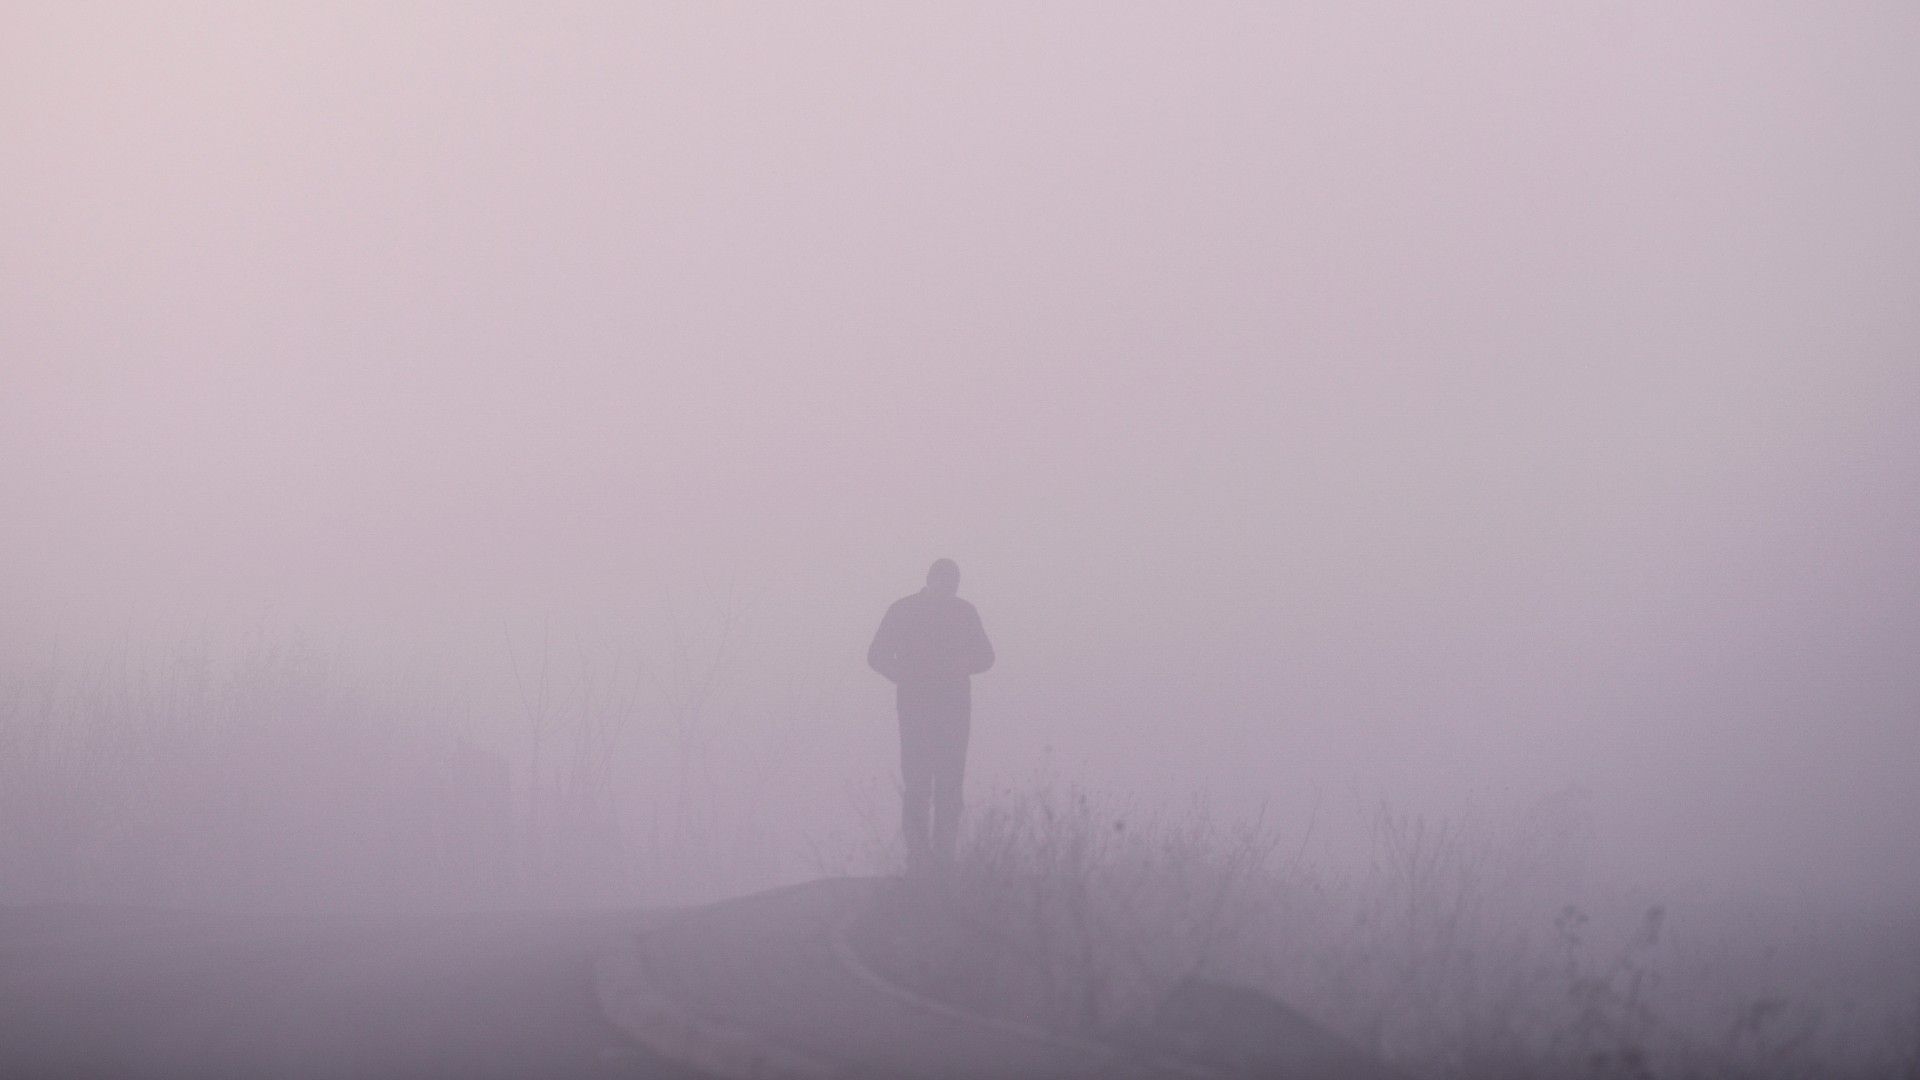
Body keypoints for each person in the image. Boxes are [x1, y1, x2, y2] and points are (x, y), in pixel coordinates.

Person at [867, 559, 994, 872]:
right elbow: (876, 655)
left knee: (945, 784)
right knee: (921, 784)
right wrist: (907, 677)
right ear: (932, 580)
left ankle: (941, 859)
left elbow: (987, 657)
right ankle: (921, 861)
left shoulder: (959, 611)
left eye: (952, 586)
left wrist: (959, 667)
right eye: (946, 584)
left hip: (943, 709)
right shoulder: (910, 610)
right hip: (924, 709)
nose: (949, 591)